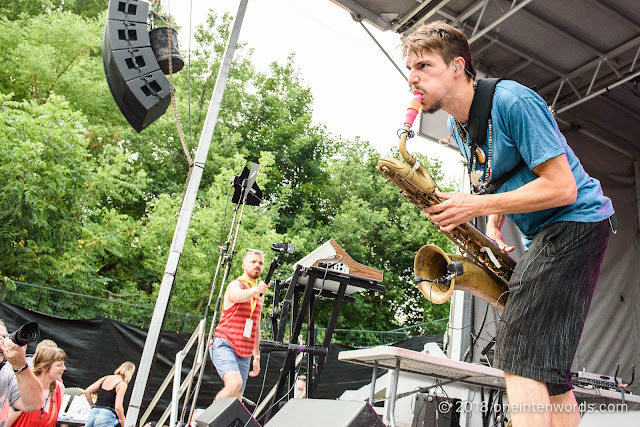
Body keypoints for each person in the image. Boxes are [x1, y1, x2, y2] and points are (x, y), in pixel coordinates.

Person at [403, 21, 614, 426]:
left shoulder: (513, 102)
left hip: (576, 222)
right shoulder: (456, 126)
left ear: (458, 66)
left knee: (517, 348)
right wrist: (493, 226)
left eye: (424, 65)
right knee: (549, 370)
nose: (412, 78)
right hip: (550, 233)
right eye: (409, 68)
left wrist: (473, 206)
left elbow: (563, 188)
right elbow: (493, 176)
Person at [210, 249, 268, 400]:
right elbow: (237, 296)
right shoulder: (236, 284)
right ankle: (208, 421)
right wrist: (256, 289)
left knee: (236, 398)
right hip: (225, 343)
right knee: (234, 384)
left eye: (260, 263)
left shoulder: (258, 295)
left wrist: (257, 356)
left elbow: (255, 326)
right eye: (253, 262)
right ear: (243, 265)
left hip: (245, 352)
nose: (257, 265)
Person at [7, 347, 67, 427]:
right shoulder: (25, 388)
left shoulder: (59, 389)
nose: (64, 368)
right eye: (59, 365)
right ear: (45, 367)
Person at [0, 320, 45, 427]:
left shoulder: (7, 373)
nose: (2, 341)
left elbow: (33, 404)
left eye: (4, 336)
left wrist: (20, 365)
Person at [83, 362, 135, 427]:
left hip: (93, 412)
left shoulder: (105, 378)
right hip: (106, 415)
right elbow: (118, 407)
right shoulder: (122, 384)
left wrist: (92, 406)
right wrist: (122, 420)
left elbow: (87, 392)